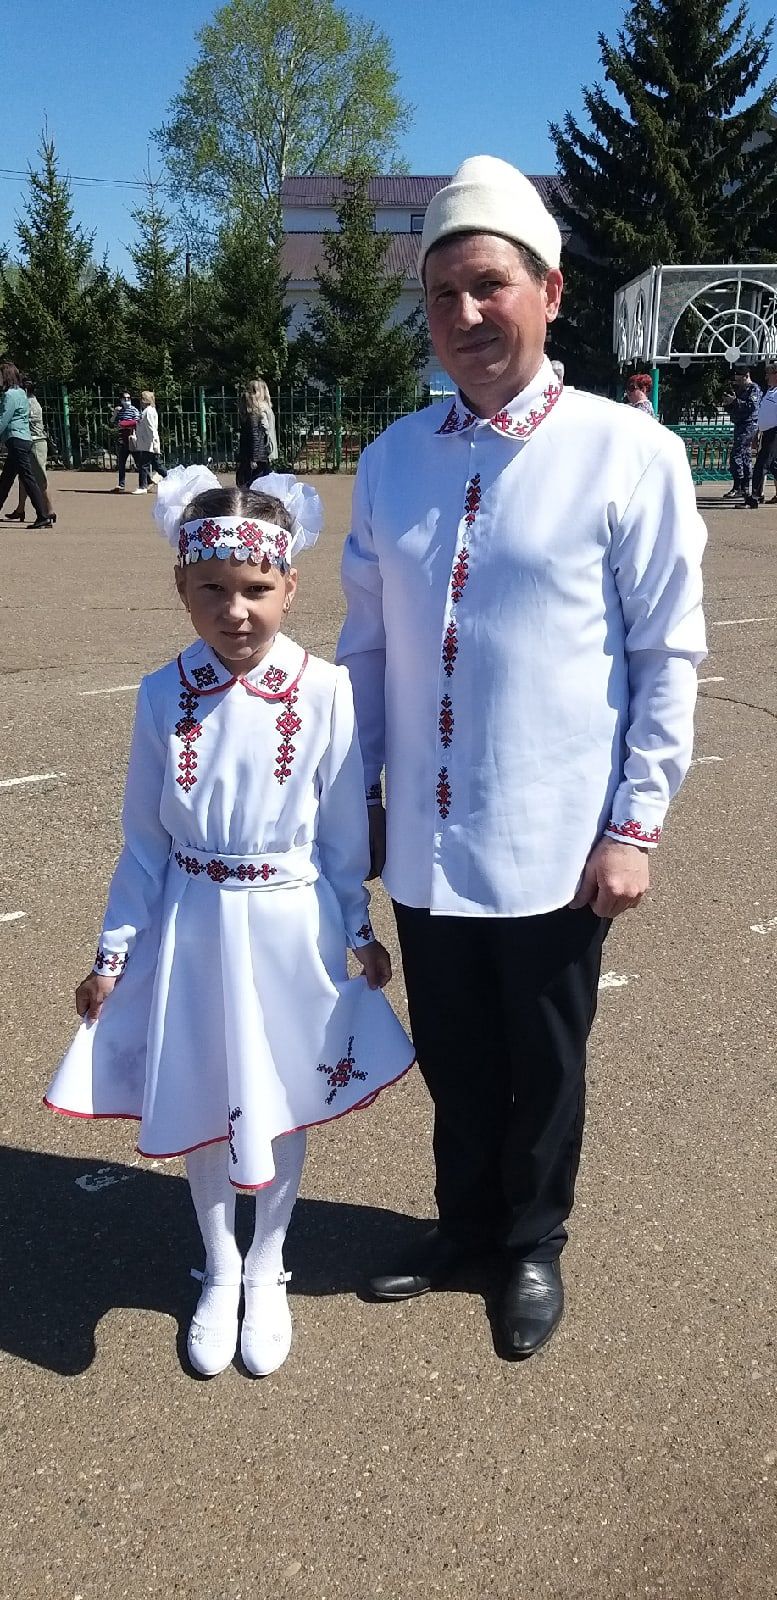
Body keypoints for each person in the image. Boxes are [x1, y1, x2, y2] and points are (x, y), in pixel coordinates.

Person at [337, 155, 706, 1359]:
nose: (465, 315)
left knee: (543, 1060)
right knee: (453, 1047)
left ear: (549, 291)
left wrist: (635, 823)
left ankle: (532, 1242)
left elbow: (667, 654)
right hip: (430, 843)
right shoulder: (394, 459)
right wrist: (359, 807)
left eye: (488, 286)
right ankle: (464, 1228)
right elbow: (364, 649)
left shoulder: (627, 452)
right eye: (442, 295)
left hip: (557, 837)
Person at [46, 466, 413, 1378]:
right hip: (194, 925)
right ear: (181, 586)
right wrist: (114, 952)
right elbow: (142, 845)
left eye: (256, 589)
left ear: (290, 585)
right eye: (212, 588)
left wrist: (354, 927)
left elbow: (337, 841)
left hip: (287, 926)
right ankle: (217, 1266)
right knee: (205, 1094)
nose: (235, 610)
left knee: (279, 1098)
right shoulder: (156, 693)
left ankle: (269, 1263)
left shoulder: (327, 692)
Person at [0, 361, 53, 528]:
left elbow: (3, 419)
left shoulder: (9, 395)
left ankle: (43, 515)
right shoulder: (21, 392)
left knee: (28, 479)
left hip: (16, 440)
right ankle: (43, 515)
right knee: (6, 479)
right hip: (24, 440)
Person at [721, 367, 760, 500]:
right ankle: (743, 487)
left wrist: (735, 401)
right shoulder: (740, 389)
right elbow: (735, 408)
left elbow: (752, 406)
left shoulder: (753, 389)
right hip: (739, 424)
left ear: (746, 376)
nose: (737, 381)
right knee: (744, 456)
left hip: (749, 425)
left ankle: (740, 486)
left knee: (737, 454)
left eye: (739, 378)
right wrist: (728, 404)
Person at [744, 362, 777, 509]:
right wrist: (757, 432)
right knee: (773, 465)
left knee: (762, 464)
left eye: (769, 374)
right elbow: (764, 415)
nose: (766, 377)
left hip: (775, 432)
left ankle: (755, 497)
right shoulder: (770, 391)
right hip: (767, 432)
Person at [236, 379, 277, 487]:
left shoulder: (254, 413)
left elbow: (255, 436)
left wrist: (254, 458)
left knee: (250, 486)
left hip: (255, 457)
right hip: (260, 457)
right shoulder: (263, 412)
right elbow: (259, 436)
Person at [133, 389, 167, 494]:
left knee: (143, 465)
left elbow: (152, 428)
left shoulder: (149, 411)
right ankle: (172, 478)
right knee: (157, 465)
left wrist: (155, 442)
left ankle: (142, 486)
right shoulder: (148, 410)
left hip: (149, 443)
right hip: (147, 443)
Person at [111, 391, 140, 492]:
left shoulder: (134, 410)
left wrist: (123, 424)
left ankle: (147, 481)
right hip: (123, 440)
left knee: (138, 463)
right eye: (125, 398)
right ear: (121, 400)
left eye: (129, 398)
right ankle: (121, 485)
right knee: (121, 463)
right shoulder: (120, 411)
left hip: (132, 440)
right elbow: (113, 422)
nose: (127, 400)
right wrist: (115, 414)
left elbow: (136, 422)